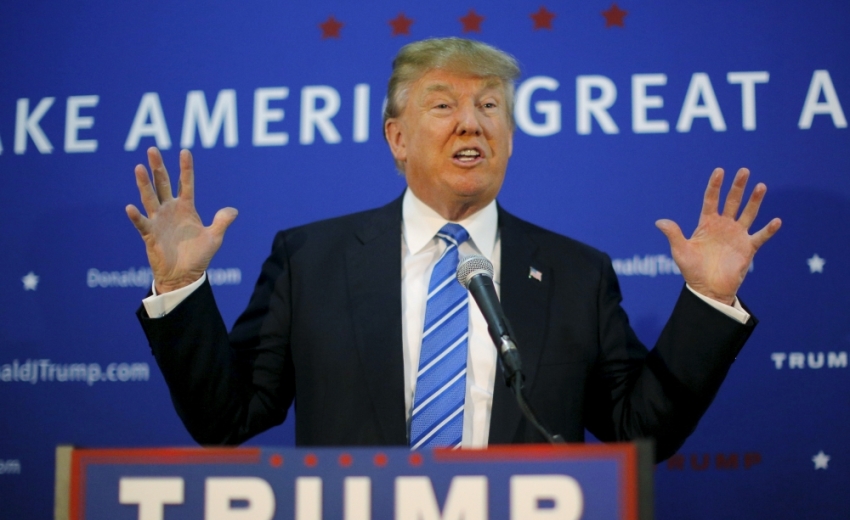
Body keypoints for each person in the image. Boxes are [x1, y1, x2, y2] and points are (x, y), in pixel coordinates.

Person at [127, 38, 780, 461]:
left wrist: (709, 299)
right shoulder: (311, 260)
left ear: (511, 136)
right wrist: (181, 289)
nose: (472, 122)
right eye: (444, 105)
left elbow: (641, 431)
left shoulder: (576, 273)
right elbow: (228, 417)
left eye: (490, 105)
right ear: (397, 138)